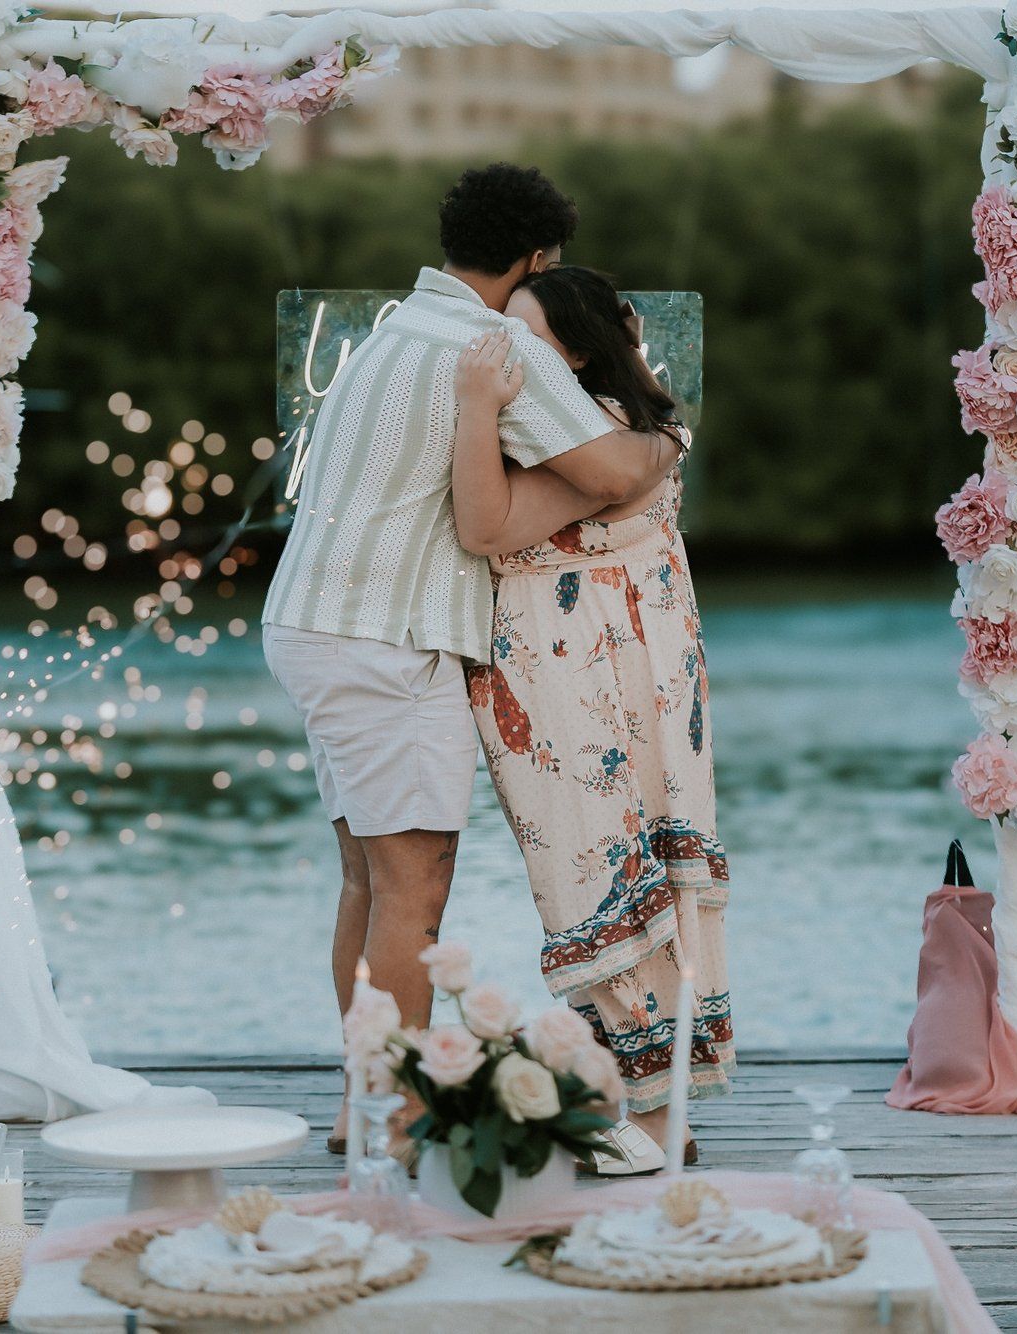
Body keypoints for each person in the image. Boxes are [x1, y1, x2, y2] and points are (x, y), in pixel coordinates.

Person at [262, 165, 682, 1152]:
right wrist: (667, 437)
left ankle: (364, 1100)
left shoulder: (390, 332)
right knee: (415, 881)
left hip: (311, 624)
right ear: (536, 260)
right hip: (386, 637)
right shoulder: (492, 348)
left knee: (368, 880)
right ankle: (397, 1119)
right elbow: (616, 469)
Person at [450, 266, 732, 1174]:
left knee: (598, 872)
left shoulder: (604, 435)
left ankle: (646, 1118)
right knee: (619, 867)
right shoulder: (619, 429)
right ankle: (657, 1109)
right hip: (612, 672)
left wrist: (473, 407)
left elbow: (485, 526)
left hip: (587, 683)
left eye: (527, 337)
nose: (507, 352)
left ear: (575, 348)